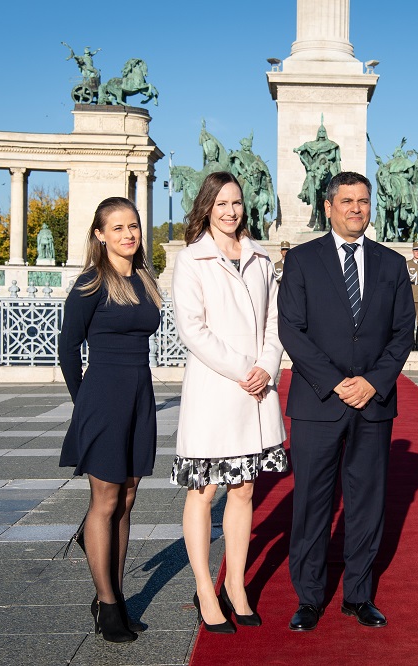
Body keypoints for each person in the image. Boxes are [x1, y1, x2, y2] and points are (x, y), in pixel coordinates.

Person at [278, 171, 415, 631]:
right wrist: (337, 382)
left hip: (373, 404)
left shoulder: (392, 265)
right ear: (329, 206)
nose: (357, 208)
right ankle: (309, 598)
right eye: (348, 201)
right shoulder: (301, 260)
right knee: (312, 504)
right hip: (318, 401)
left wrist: (372, 382)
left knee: (367, 503)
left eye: (363, 201)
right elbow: (290, 330)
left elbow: (401, 334)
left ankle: (358, 595)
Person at [171, 172, 288, 634]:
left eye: (236, 202)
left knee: (244, 491)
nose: (230, 211)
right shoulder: (191, 259)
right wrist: (244, 368)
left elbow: (276, 319)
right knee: (204, 492)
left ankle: (236, 585)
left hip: (257, 391)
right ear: (206, 207)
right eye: (220, 203)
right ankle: (204, 588)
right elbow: (192, 329)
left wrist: (267, 364)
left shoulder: (260, 256)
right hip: (217, 388)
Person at [59, 197, 162, 643]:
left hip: (141, 395)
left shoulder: (143, 278)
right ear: (100, 235)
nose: (128, 234)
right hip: (102, 396)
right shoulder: (90, 283)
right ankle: (106, 604)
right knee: (105, 500)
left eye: (133, 226)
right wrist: (84, 404)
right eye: (118, 228)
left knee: (129, 495)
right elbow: (67, 349)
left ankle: (116, 593)